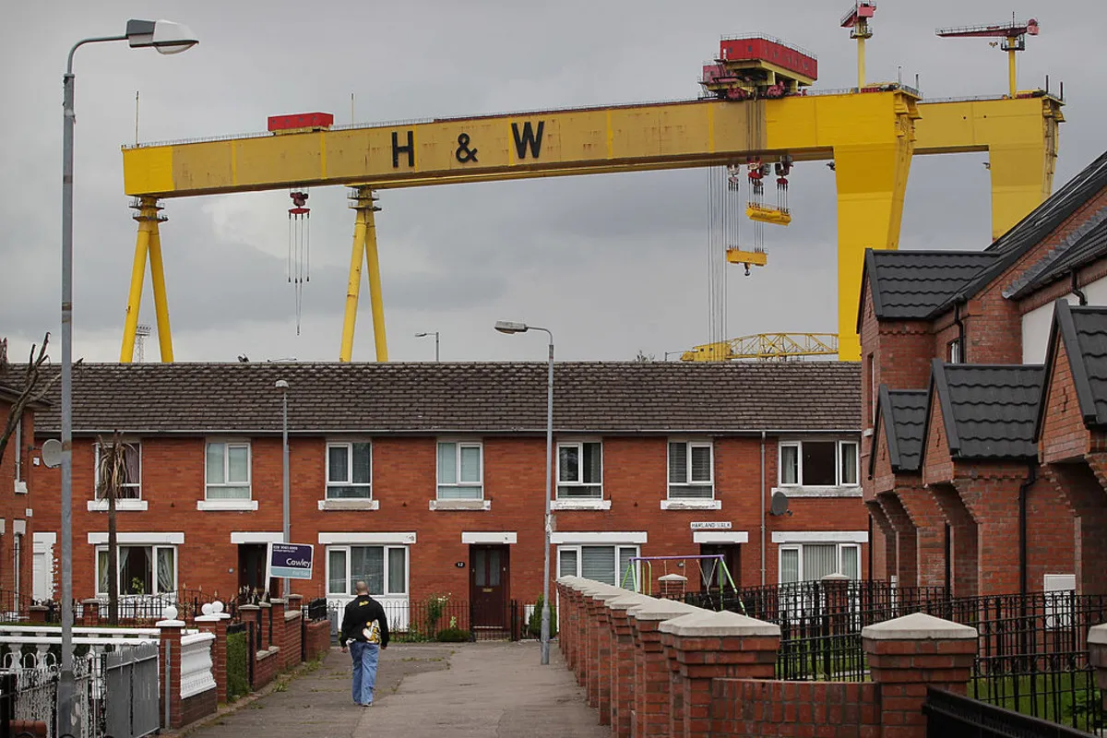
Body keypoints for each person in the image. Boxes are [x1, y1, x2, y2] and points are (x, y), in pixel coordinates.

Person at [340, 580, 390, 706]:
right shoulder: (376, 605)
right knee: (369, 667)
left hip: (355, 641)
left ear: (356, 591)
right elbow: (383, 624)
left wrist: (343, 643)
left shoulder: (351, 606)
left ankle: (357, 697)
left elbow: (346, 626)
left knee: (358, 667)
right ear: (367, 589)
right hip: (371, 641)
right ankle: (366, 698)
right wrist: (384, 641)